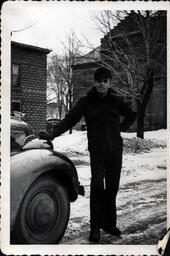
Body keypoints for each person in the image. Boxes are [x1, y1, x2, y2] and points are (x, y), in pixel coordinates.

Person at [39, 67, 136, 243]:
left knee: (112, 188)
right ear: (94, 82)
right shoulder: (86, 102)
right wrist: (52, 134)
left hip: (115, 151)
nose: (101, 84)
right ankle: (95, 228)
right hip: (97, 152)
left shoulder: (116, 100)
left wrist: (120, 129)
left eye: (105, 81)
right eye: (98, 80)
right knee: (98, 188)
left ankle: (109, 223)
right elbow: (69, 120)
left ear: (109, 83)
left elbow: (131, 115)